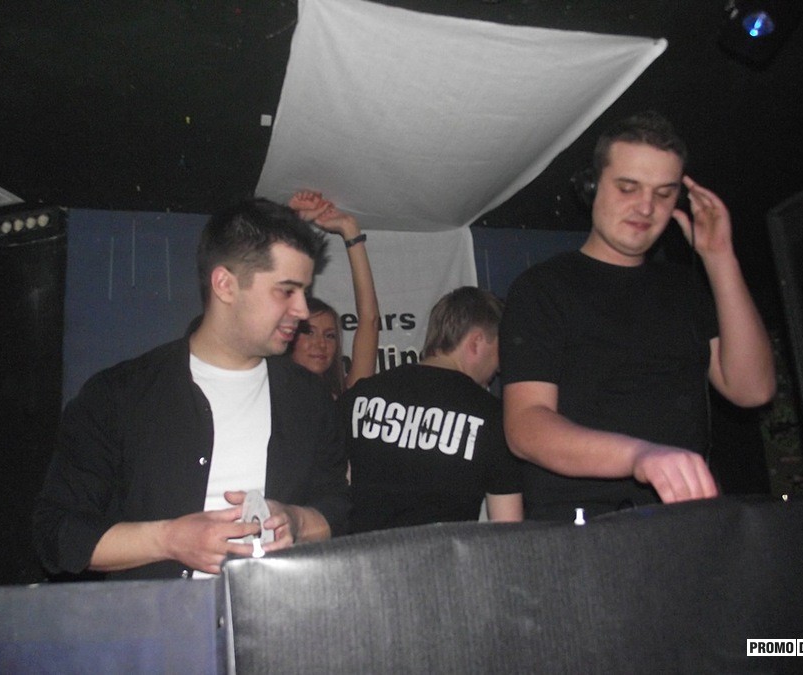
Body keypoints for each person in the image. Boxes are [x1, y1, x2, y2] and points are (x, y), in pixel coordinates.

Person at [33, 197, 351, 580]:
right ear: (225, 285)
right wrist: (168, 540)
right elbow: (57, 532)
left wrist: (297, 522)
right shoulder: (120, 395)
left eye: (303, 291)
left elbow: (339, 507)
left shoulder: (310, 399)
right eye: (286, 291)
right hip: (157, 617)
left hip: (278, 612)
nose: (301, 310)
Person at [500, 111, 776, 521]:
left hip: (685, 518)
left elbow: (752, 390)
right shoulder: (543, 288)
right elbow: (525, 427)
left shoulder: (686, 287)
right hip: (584, 524)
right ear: (592, 187)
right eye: (628, 188)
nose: (646, 207)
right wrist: (639, 456)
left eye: (663, 194)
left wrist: (720, 258)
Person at [340, 286, 524, 533]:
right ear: (477, 341)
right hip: (443, 556)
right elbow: (508, 532)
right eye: (499, 351)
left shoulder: (361, 395)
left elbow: (331, 490)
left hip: (362, 553)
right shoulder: (493, 416)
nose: (499, 367)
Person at [287, 191, 380, 397]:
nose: (321, 344)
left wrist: (350, 230)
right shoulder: (271, 389)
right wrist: (294, 221)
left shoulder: (347, 396)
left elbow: (370, 320)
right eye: (309, 332)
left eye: (330, 336)